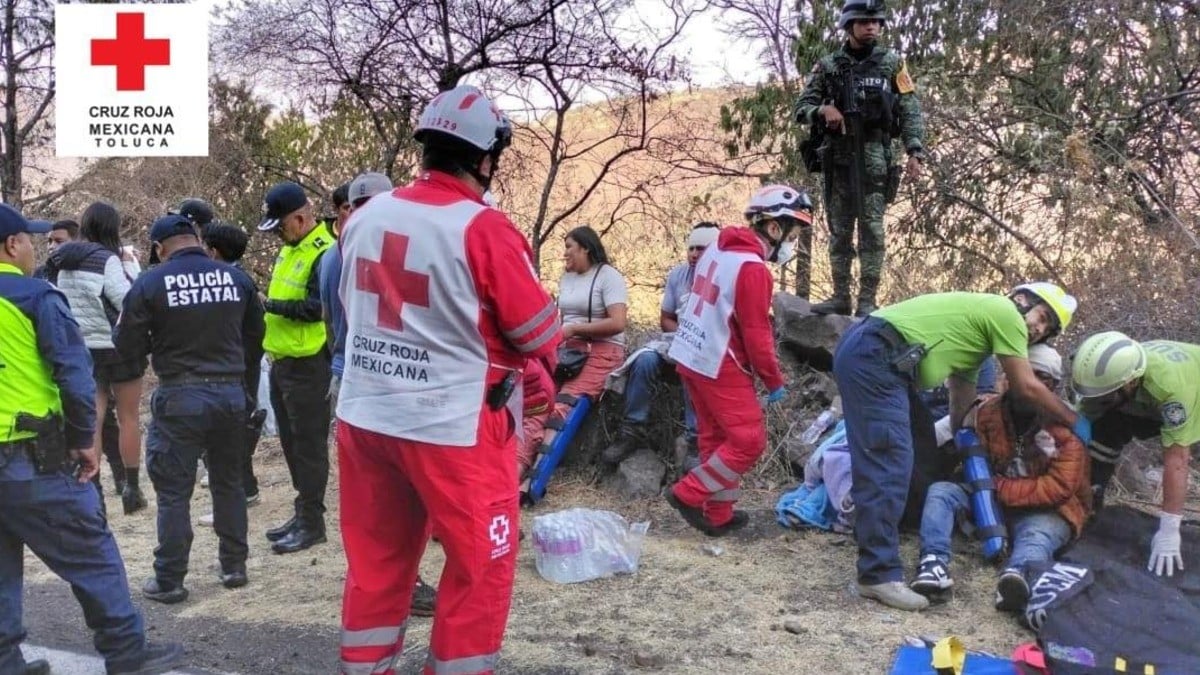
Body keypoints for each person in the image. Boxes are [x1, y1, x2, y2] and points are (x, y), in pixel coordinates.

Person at [336, 84, 561, 675]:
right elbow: (540, 337)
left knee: (377, 563)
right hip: (452, 428)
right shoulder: (485, 229)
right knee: (479, 567)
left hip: (364, 417)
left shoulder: (362, 219)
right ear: (486, 158)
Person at [0, 203, 184, 675]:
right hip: (30, 457)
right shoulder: (33, 296)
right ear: (11, 246)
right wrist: (84, 439)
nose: (33, 248)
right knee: (92, 553)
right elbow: (74, 373)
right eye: (28, 240)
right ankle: (126, 653)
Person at [832, 283, 1087, 611]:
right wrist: (1074, 419)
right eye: (1042, 316)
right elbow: (1025, 386)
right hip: (876, 355)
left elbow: (961, 399)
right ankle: (877, 573)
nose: (1038, 329)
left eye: (1046, 330)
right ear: (1023, 300)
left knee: (921, 446)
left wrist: (967, 440)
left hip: (883, 359)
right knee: (889, 457)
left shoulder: (976, 341)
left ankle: (896, 527)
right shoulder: (1004, 312)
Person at [113, 215, 264, 603]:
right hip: (231, 395)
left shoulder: (150, 282)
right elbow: (255, 336)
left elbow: (126, 341)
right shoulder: (236, 278)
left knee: (173, 491)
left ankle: (170, 578)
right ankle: (234, 566)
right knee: (229, 482)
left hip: (180, 395)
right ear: (196, 239)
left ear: (160, 248)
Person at [664, 185, 803, 536]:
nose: (793, 242)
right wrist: (773, 382)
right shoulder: (753, 268)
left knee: (715, 436)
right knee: (749, 440)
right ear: (774, 228)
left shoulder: (716, 250)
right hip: (718, 361)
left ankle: (718, 514)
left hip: (689, 352)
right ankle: (688, 494)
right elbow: (757, 334)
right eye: (794, 232)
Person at [911, 344, 1092, 613]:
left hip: (1045, 510)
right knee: (942, 492)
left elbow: (1058, 488)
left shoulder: (1067, 426)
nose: (1028, 381)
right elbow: (944, 435)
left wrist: (995, 487)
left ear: (1052, 385)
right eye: (1022, 371)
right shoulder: (986, 412)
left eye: (1040, 376)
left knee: (1037, 536)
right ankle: (933, 563)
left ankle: (1016, 579)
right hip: (986, 499)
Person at [795, 0, 926, 317]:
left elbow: (910, 110)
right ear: (849, 25)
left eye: (877, 22)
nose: (872, 27)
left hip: (875, 160)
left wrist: (915, 151)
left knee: (872, 233)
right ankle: (840, 296)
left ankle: (867, 301)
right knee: (840, 232)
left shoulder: (892, 65)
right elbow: (801, 109)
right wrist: (822, 110)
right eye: (865, 22)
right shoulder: (829, 66)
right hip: (839, 161)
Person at [44, 201, 148, 515]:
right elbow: (126, 299)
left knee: (94, 419)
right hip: (118, 346)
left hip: (83, 347)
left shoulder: (60, 259)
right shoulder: (109, 259)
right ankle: (131, 488)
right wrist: (131, 265)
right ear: (111, 228)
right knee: (129, 417)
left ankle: (96, 491)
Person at [1071, 332, 1200, 578]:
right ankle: (1089, 504)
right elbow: (1082, 419)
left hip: (1193, 393)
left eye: (1103, 396)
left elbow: (1177, 462)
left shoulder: (1171, 391)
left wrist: (1169, 530)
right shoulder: (1110, 372)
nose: (1095, 400)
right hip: (1146, 397)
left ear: (1130, 383)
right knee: (1104, 429)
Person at [600, 222, 719, 469]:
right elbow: (666, 319)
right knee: (643, 360)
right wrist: (684, 335)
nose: (695, 254)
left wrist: (695, 340)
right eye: (692, 248)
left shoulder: (722, 277)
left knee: (690, 363)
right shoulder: (678, 275)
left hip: (707, 352)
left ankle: (695, 440)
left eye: (702, 248)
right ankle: (633, 429)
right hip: (675, 343)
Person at [257, 181, 335, 554]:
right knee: (290, 444)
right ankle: (302, 511)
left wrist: (269, 306)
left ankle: (313, 522)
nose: (278, 236)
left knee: (308, 447)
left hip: (309, 365)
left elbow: (318, 308)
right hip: (283, 362)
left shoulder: (324, 251)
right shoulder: (292, 248)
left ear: (301, 217)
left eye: (281, 226)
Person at [195, 223, 266, 525]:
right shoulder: (240, 280)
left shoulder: (231, 282)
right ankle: (246, 489)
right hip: (239, 367)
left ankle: (232, 501)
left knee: (228, 436)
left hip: (234, 370)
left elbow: (252, 330)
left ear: (214, 251)